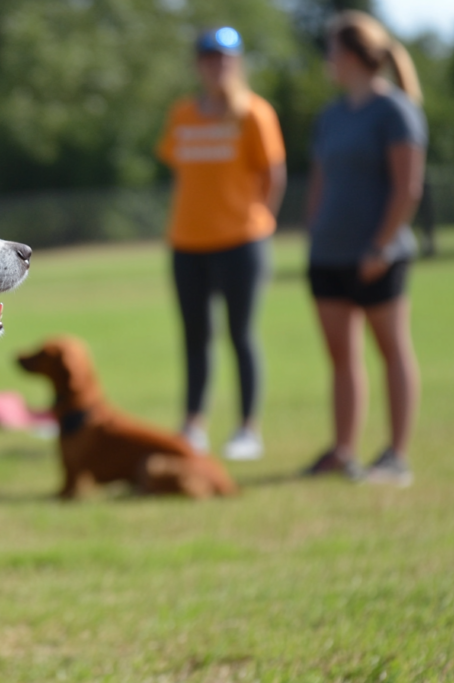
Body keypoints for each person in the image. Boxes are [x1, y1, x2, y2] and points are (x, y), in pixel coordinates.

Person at [301, 11, 426, 487]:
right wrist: (314, 231)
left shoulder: (395, 110)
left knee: (391, 350)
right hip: (328, 254)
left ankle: (396, 454)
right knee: (341, 356)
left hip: (378, 255)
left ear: (352, 54)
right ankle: (343, 450)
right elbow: (320, 180)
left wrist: (380, 245)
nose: (327, 60)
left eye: (332, 50)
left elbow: (406, 188)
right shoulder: (331, 114)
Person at [155, 27, 287, 461]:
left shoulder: (254, 114)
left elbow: (273, 176)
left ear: (238, 62)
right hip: (187, 242)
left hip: (242, 242)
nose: (217, 66)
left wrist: (259, 221)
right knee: (195, 336)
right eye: (209, 58)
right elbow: (179, 167)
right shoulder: (183, 114)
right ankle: (193, 424)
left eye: (225, 58)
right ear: (199, 65)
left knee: (241, 334)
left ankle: (248, 429)